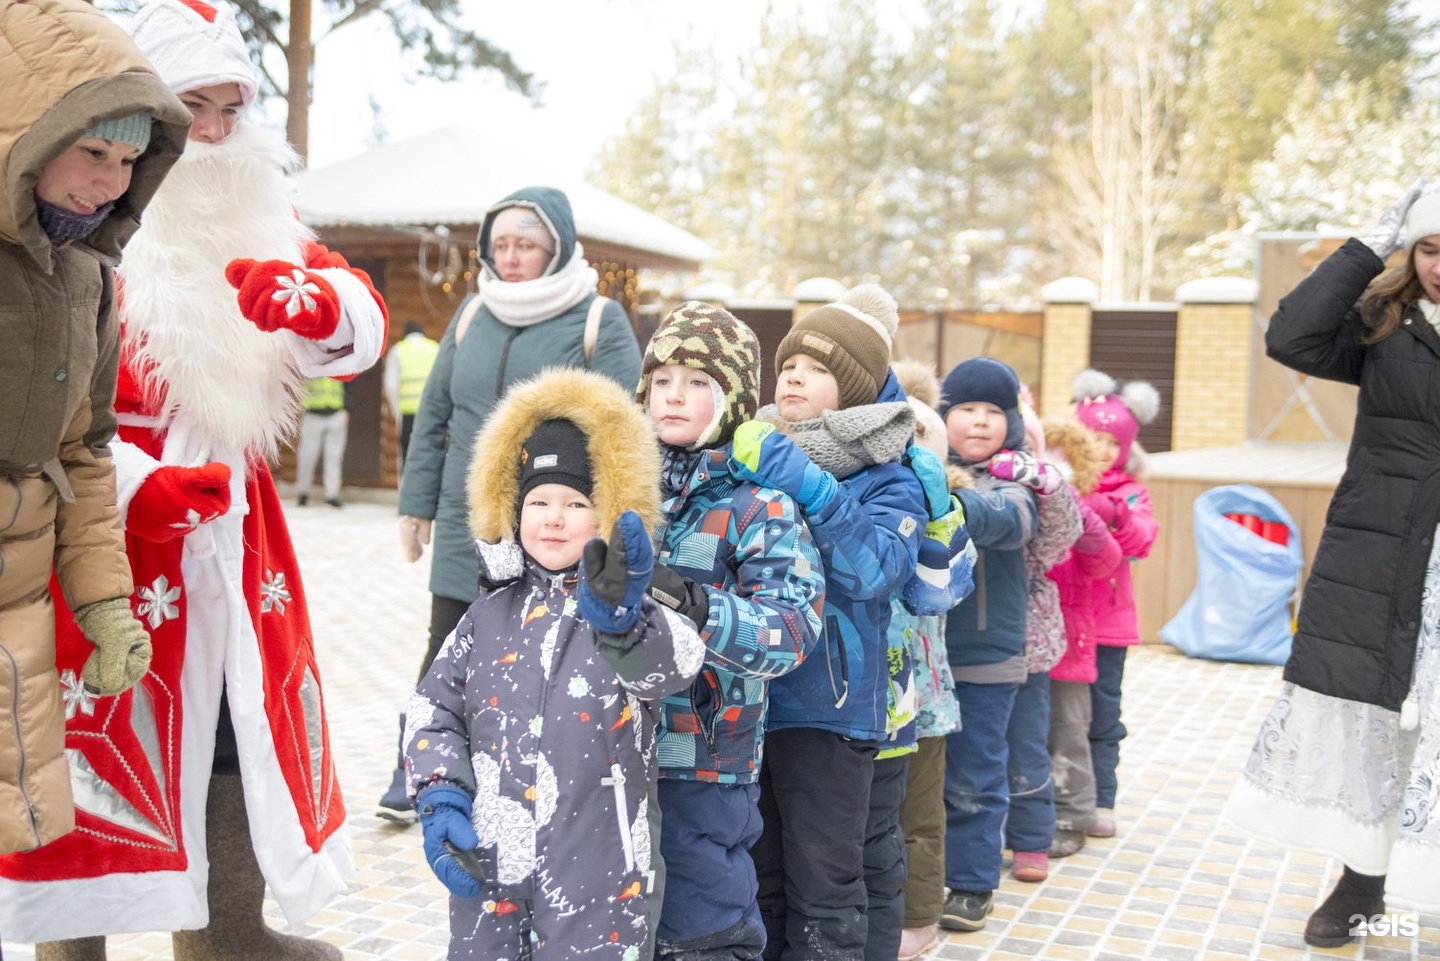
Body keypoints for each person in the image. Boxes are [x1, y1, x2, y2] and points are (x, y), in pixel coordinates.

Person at [0, 1, 389, 957]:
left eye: (231, 109)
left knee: (231, 729)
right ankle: (69, 939)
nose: (214, 134)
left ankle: (226, 936)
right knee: (96, 737)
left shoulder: (267, 216)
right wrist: (142, 484)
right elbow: (60, 419)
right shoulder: (90, 232)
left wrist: (320, 301)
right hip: (103, 539)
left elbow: (359, 320)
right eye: (194, 107)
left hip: (237, 539)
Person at [405, 366, 704, 960]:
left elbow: (676, 664)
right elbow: (435, 707)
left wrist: (623, 622)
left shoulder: (631, 614)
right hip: (490, 866)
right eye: (538, 501)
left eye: (575, 502)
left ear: (612, 511)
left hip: (601, 875)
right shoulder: (486, 617)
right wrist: (441, 793)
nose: (554, 517)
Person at [1225, 179, 1440, 941]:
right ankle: (1364, 878)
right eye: (1430, 245)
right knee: (1380, 718)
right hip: (1382, 552)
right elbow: (1292, 338)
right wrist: (1368, 247)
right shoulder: (1388, 323)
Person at [386, 186, 643, 820]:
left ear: (555, 247)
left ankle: (531, 770)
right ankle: (418, 771)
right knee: (447, 639)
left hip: (553, 516)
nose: (510, 257)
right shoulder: (472, 315)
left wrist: (615, 523)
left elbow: (619, 428)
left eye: (525, 244)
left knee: (539, 643)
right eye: (500, 244)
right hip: (468, 513)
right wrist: (415, 505)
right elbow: (436, 416)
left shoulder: (595, 317)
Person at [0, 0, 188, 857]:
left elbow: (82, 449)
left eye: (128, 160)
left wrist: (107, 603)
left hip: (18, 607)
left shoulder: (88, 278)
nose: (109, 181)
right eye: (91, 151)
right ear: (27, 134)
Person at [738, 284, 927, 961]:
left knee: (825, 887)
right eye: (790, 363)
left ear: (851, 389)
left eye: (818, 369)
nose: (794, 375)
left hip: (830, 710)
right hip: (749, 704)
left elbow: (875, 572)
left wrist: (812, 487)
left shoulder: (888, 477)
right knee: (759, 883)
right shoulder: (750, 453)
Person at [635, 303, 824, 960]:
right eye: (663, 380)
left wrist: (700, 606)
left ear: (732, 395)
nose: (674, 395)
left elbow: (791, 628)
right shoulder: (618, 490)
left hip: (705, 759)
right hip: (608, 750)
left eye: (695, 381)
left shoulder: (758, 504)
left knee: (703, 921)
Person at [935, 356, 1056, 933]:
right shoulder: (922, 465)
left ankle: (972, 882)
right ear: (943, 416)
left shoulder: (1017, 483)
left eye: (993, 411)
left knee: (976, 773)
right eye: (965, 410)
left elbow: (1011, 523)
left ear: (1011, 420)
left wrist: (948, 500)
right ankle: (928, 872)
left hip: (988, 655)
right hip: (925, 656)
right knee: (925, 777)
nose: (980, 423)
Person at [891, 360, 971, 961]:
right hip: (879, 698)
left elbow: (946, 584)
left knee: (918, 815)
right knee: (879, 816)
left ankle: (920, 915)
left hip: (925, 700)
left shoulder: (946, 518)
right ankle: (894, 907)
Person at [1069, 368, 1160, 842]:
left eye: (1113, 442)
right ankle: (1067, 795)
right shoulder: (1064, 483)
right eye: (1094, 439)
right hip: (1064, 621)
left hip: (1108, 627)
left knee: (1103, 716)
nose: (1103, 451)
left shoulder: (1130, 492)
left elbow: (1143, 539)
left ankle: (1103, 796)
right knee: (1063, 715)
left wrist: (1115, 510)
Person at [1001, 397, 1083, 885]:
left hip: (1029, 646)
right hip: (977, 648)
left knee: (1027, 744)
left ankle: (1032, 837)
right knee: (983, 751)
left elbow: (1061, 538)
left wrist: (1044, 481)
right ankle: (993, 834)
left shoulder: (1040, 493)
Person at [1043, 419, 1122, 860]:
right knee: (1029, 737)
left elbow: (1104, 560)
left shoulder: (1081, 509)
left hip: (1071, 643)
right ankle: (1033, 815)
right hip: (1026, 642)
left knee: (1069, 732)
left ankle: (1073, 815)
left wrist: (1070, 501)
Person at [383, 320, 440, 468]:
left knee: (407, 456)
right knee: (430, 454)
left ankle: (407, 491)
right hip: (431, 413)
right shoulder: (435, 348)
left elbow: (390, 385)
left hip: (407, 413)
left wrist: (397, 412)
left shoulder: (398, 350)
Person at [295, 376, 348, 507]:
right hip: (312, 413)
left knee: (334, 457)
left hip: (336, 412)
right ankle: (303, 492)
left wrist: (347, 407)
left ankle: (332, 495)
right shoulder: (310, 358)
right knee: (307, 456)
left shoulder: (340, 358)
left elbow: (350, 383)